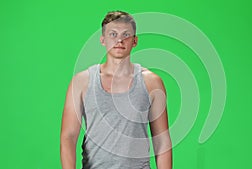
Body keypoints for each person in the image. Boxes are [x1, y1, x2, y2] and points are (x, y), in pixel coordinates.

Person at [60, 11, 172, 169]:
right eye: (113, 34)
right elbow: (68, 137)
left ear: (135, 41)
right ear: (103, 40)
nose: (119, 40)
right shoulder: (81, 82)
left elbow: (162, 140)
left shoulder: (152, 83)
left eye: (126, 34)